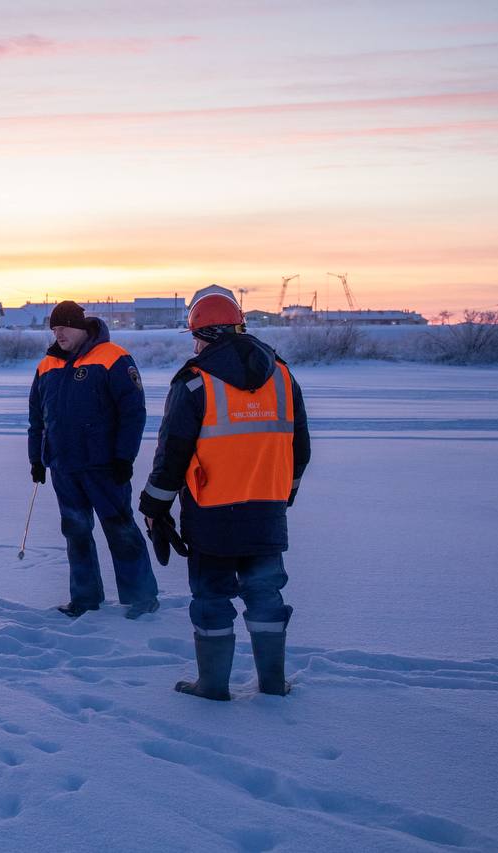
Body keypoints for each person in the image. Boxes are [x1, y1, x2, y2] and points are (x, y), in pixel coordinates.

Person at [138, 287, 310, 700]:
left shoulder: (195, 383)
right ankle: (272, 683)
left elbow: (172, 454)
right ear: (239, 326)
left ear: (200, 333)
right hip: (266, 510)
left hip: (211, 513)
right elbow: (299, 448)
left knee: (212, 596)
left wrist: (153, 508)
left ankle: (213, 686)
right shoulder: (283, 376)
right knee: (265, 594)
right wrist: (283, 495)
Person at [28, 300, 159, 619]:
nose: (58, 334)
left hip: (104, 467)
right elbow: (36, 417)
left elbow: (133, 412)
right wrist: (37, 459)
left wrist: (124, 457)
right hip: (64, 466)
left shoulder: (113, 357)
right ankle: (85, 598)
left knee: (120, 530)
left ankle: (141, 597)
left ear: (81, 327)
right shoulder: (47, 365)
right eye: (54, 328)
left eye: (64, 327)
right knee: (76, 532)